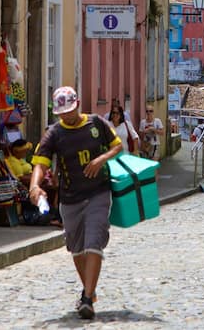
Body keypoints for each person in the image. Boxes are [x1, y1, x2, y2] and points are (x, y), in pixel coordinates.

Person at [29, 86, 122, 320]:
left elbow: (117, 145)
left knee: (94, 243)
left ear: (78, 104)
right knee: (77, 250)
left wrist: (101, 160)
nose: (67, 116)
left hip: (98, 192)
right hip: (70, 198)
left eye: (69, 111)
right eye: (62, 113)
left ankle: (87, 298)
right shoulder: (54, 133)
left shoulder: (96, 123)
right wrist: (34, 186)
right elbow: (40, 163)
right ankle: (89, 289)